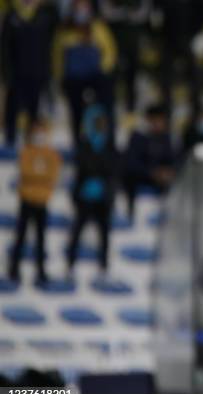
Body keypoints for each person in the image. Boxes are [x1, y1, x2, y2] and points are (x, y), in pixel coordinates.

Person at [52, 0, 117, 146]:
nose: (81, 9)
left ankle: (107, 142)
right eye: (77, 6)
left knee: (104, 109)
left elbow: (110, 51)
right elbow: (57, 56)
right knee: (76, 112)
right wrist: (60, 76)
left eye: (84, 5)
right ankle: (78, 145)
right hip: (74, 78)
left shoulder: (98, 27)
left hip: (96, 76)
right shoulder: (64, 30)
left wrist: (102, 70)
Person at [66, 104, 118, 279]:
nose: (101, 126)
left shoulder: (110, 146)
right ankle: (70, 264)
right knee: (77, 231)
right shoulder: (84, 144)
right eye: (98, 123)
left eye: (103, 123)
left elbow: (111, 169)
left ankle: (103, 266)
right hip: (85, 197)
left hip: (103, 198)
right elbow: (84, 167)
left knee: (104, 234)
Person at [9, 119, 62, 285]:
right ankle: (14, 268)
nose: (39, 135)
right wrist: (39, 178)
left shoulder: (51, 154)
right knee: (21, 236)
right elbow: (26, 173)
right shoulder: (26, 152)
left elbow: (51, 176)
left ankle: (40, 270)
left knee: (41, 238)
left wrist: (37, 179)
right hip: (26, 200)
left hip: (42, 201)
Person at [1, 0, 58, 145]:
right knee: (12, 111)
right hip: (17, 74)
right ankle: (10, 141)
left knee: (35, 112)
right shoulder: (12, 16)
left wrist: (48, 71)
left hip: (38, 73)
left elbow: (51, 45)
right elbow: (5, 47)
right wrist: (7, 71)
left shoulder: (45, 16)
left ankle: (32, 144)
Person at [123, 104, 176, 221]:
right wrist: (152, 172)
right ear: (149, 120)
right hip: (139, 181)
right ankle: (131, 213)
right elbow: (131, 163)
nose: (159, 124)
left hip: (161, 183)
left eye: (162, 120)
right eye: (156, 120)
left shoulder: (166, 138)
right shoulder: (137, 137)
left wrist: (167, 171)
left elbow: (173, 160)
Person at [99, 0, 151, 113]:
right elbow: (106, 13)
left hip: (133, 39)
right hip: (114, 39)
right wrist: (124, 12)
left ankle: (131, 105)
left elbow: (144, 13)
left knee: (132, 74)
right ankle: (111, 104)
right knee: (113, 72)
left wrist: (128, 13)